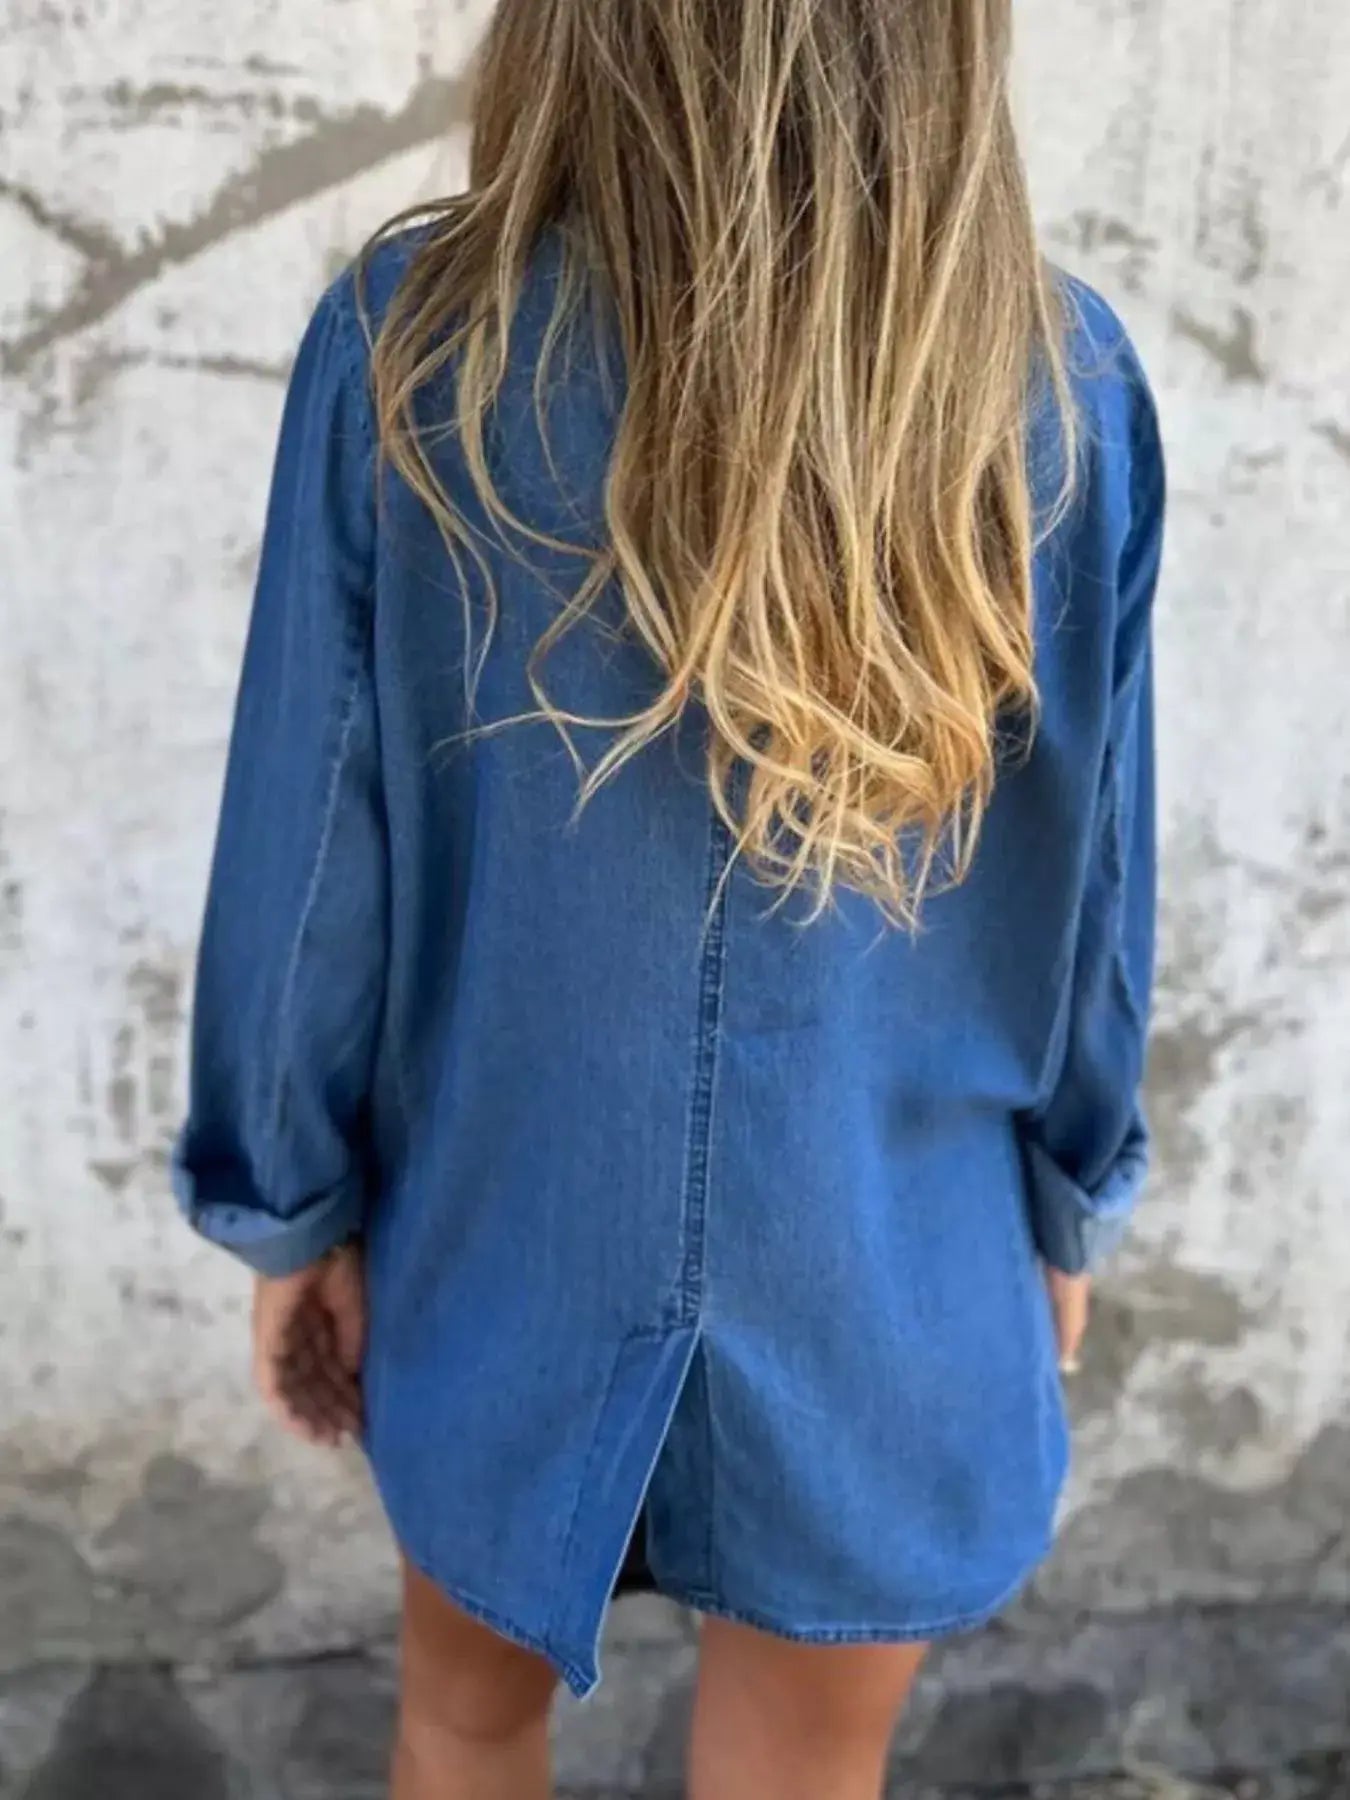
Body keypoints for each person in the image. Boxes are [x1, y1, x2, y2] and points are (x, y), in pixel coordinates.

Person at [172, 2, 1165, 1795]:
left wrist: (290, 1210)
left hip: (503, 1227)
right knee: (798, 1776)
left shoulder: (422, 349)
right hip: (896, 1254)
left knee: (462, 1721)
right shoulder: (1057, 387)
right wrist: (1066, 1202)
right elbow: (1091, 877)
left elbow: (313, 851)